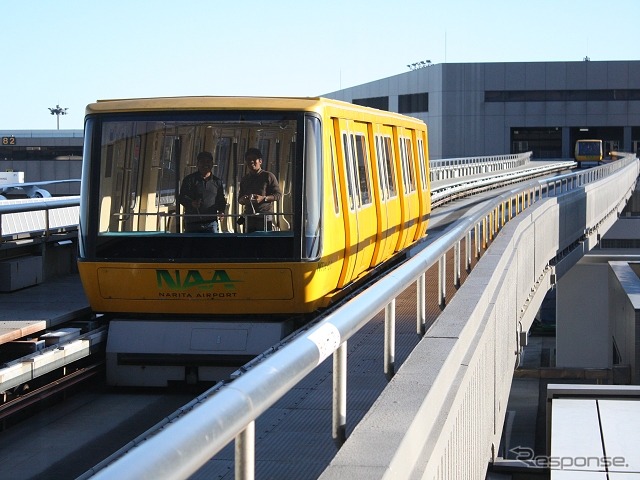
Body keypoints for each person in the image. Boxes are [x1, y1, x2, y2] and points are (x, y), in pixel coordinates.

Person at [178, 151, 227, 233]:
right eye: (202, 162)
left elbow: (221, 199)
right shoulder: (189, 180)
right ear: (197, 164)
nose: (205, 164)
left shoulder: (217, 182)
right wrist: (192, 203)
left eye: (208, 162)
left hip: (211, 222)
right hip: (192, 222)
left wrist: (222, 211)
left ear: (212, 164)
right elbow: (181, 197)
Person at [238, 148, 282, 232]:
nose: (251, 162)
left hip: (264, 217)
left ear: (260, 161)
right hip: (249, 217)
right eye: (248, 160)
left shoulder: (268, 176)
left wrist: (264, 198)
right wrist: (244, 199)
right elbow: (239, 199)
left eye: (254, 159)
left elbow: (278, 195)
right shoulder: (244, 179)